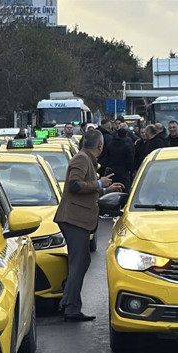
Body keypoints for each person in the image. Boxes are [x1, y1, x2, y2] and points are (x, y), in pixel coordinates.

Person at [54, 129, 124, 322]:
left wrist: (105, 188)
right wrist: (99, 184)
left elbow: (85, 188)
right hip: (73, 219)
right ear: (100, 146)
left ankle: (67, 302)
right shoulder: (81, 160)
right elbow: (74, 186)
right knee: (78, 263)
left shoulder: (85, 159)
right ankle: (71, 308)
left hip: (79, 219)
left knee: (82, 262)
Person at [99, 125, 135, 191]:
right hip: (124, 172)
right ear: (126, 134)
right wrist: (130, 169)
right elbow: (130, 160)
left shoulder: (110, 144)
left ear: (117, 134)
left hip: (112, 171)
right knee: (124, 189)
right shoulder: (127, 145)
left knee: (112, 189)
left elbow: (106, 157)